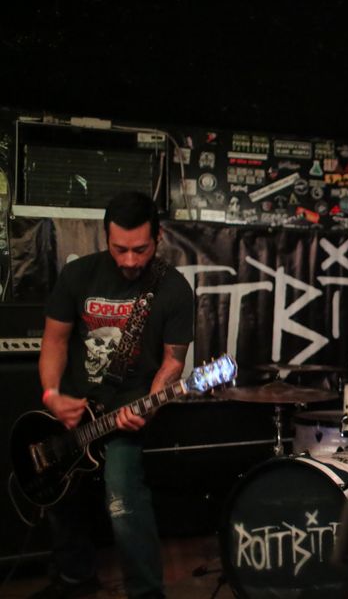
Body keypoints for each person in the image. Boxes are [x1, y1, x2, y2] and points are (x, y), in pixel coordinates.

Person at [35, 192, 194, 599]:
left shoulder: (173, 288)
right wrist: (52, 395)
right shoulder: (78, 275)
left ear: (158, 237)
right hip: (72, 410)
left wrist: (151, 407)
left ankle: (146, 592)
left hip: (127, 412)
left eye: (140, 249)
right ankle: (74, 580)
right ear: (105, 237)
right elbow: (54, 341)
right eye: (119, 248)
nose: (129, 260)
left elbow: (172, 364)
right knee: (59, 493)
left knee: (122, 495)